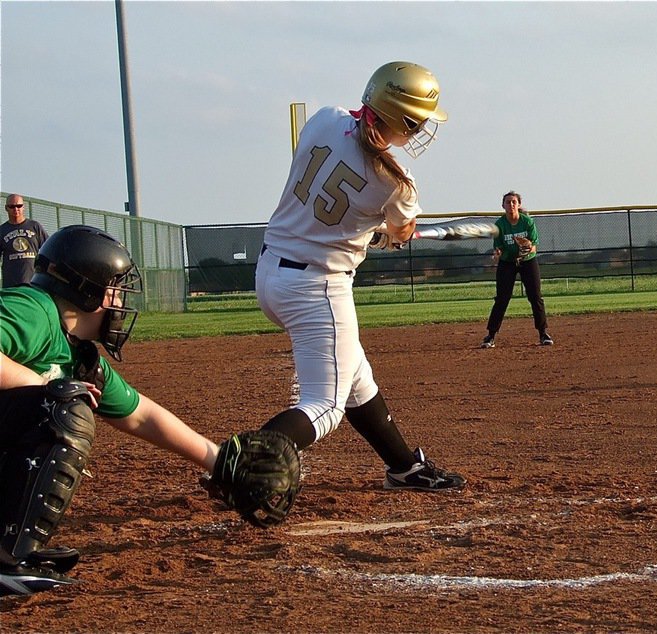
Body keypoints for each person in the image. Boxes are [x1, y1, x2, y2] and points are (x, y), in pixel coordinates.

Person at [255, 61, 465, 492]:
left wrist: (368, 230)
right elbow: (401, 230)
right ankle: (233, 461)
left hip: (269, 272)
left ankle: (404, 467)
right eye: (417, 120)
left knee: (354, 376)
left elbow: (332, 191)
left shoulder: (323, 118)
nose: (421, 127)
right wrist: (388, 233)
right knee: (325, 406)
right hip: (316, 289)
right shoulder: (398, 184)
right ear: (401, 119)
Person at [0, 225, 224, 596]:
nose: (120, 304)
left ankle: (10, 551)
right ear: (87, 291)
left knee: (62, 400)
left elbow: (141, 415)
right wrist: (46, 387)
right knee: (62, 406)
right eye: (116, 291)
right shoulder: (34, 309)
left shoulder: (76, 355)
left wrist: (217, 460)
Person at [479, 191, 552, 348]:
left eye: (514, 202)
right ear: (503, 205)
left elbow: (533, 246)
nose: (511, 205)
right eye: (508, 202)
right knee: (502, 299)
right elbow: (498, 248)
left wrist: (528, 249)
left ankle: (543, 333)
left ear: (518, 205)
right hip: (507, 262)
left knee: (535, 296)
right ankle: (490, 336)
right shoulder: (500, 225)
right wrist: (497, 253)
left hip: (527, 261)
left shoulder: (527, 222)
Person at [1, 194, 50, 288]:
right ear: (6, 208)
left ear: (23, 207)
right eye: (12, 206)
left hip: (34, 284)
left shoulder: (35, 227)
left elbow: (48, 250)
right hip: (11, 287)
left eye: (19, 206)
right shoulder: (2, 231)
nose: (16, 209)